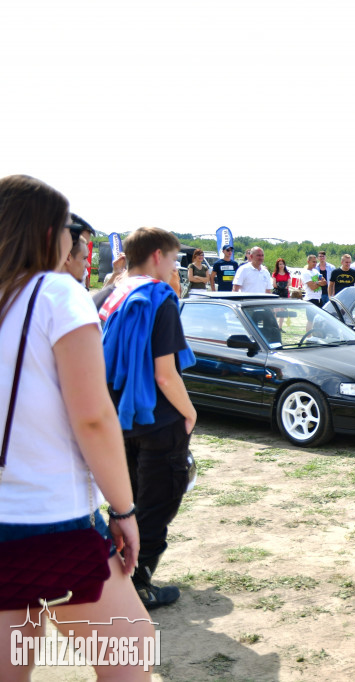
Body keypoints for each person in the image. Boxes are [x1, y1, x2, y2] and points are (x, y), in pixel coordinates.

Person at [0, 175, 153, 681]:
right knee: (131, 654)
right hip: (49, 517)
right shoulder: (54, 291)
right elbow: (92, 416)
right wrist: (125, 510)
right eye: (70, 227)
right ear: (47, 233)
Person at [98, 227, 198, 612]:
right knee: (157, 502)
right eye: (174, 260)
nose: (175, 267)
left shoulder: (105, 296)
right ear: (158, 256)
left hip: (116, 419)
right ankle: (138, 586)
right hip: (157, 421)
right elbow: (165, 373)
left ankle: (118, 575)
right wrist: (189, 412)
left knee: (126, 501)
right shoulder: (160, 298)